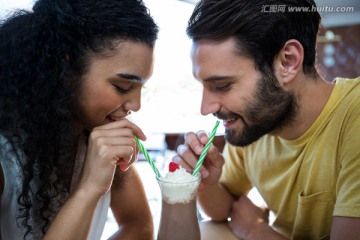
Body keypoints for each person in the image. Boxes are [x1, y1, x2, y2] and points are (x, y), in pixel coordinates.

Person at [174, 0, 360, 239]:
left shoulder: (353, 116)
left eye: (222, 85)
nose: (205, 107)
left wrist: (255, 231)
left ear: (287, 62)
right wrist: (207, 181)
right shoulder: (258, 122)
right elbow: (222, 210)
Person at [0, 0, 158, 239]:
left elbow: (139, 226)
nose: (135, 105)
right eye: (122, 86)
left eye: (140, 88)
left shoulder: (99, 143)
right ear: (66, 71)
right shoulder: (5, 158)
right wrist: (89, 188)